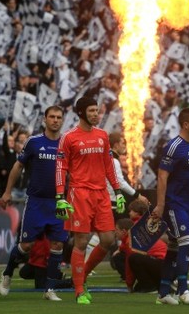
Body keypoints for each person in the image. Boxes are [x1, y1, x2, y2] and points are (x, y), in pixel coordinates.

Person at [55, 96, 124, 305]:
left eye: (97, 110)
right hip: (79, 193)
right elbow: (61, 167)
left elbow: (109, 166)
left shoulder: (103, 136)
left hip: (102, 194)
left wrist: (118, 191)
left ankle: (81, 277)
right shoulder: (69, 138)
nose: (96, 114)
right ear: (82, 113)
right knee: (82, 242)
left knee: (108, 240)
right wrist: (60, 196)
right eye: (92, 111)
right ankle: (79, 290)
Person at [0, 106, 67, 301]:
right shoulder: (34, 142)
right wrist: (7, 191)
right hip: (36, 202)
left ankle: (50, 290)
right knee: (26, 246)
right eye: (52, 117)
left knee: (57, 245)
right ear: (45, 119)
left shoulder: (67, 143)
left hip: (59, 203)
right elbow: (18, 166)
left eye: (58, 117)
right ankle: (8, 273)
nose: (55, 120)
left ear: (62, 120)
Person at [150, 107, 189, 305]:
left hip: (188, 205)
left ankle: (163, 293)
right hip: (175, 204)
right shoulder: (174, 146)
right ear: (186, 124)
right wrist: (161, 205)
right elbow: (162, 176)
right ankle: (183, 290)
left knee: (173, 247)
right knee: (186, 243)